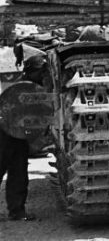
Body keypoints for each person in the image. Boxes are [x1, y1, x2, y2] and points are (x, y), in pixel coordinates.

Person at [0, 54, 47, 222]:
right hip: (4, 135)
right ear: (31, 71)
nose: (43, 76)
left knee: (19, 174)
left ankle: (17, 211)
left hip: (19, 137)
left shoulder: (36, 86)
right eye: (41, 72)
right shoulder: (19, 87)